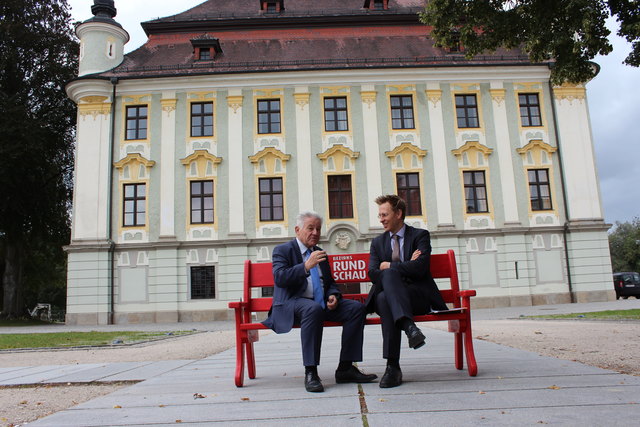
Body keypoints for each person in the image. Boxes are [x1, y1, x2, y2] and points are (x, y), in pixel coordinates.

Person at [263, 211, 377, 392]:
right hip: (292, 304)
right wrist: (306, 265)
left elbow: (329, 283)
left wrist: (333, 296)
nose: (315, 232)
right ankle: (311, 372)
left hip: (319, 303)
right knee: (312, 309)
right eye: (310, 228)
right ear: (297, 229)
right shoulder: (283, 250)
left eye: (318, 228)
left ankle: (345, 368)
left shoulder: (319, 253)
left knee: (356, 308)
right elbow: (280, 278)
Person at [365, 195, 448, 388]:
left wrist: (391, 266)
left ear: (398, 213)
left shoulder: (420, 236)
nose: (381, 219)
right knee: (385, 296)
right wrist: (406, 264)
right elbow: (373, 274)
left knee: (386, 297)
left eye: (384, 214)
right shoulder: (377, 243)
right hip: (396, 301)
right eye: (379, 215)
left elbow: (420, 268)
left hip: (416, 298)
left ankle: (392, 367)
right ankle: (410, 328)